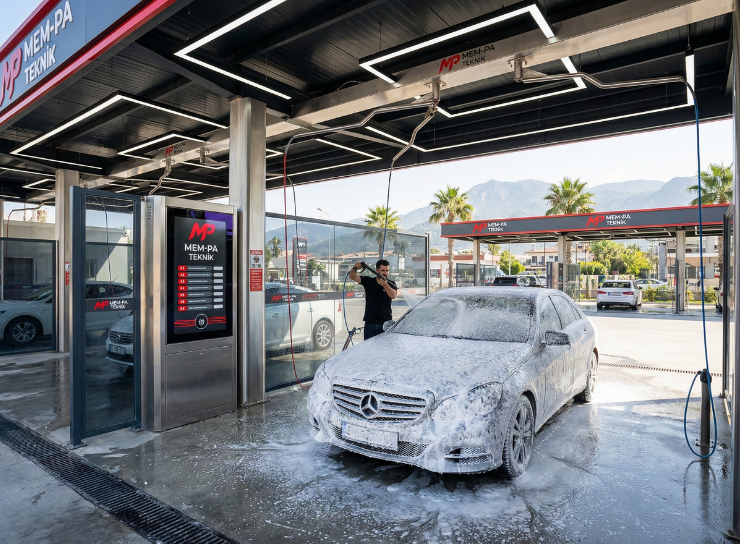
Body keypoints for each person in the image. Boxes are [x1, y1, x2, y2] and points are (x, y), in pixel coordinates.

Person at [349, 259, 398, 340]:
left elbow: (393, 295)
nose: (385, 273)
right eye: (382, 270)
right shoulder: (369, 281)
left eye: (387, 271)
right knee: (369, 347)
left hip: (385, 324)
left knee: (384, 347)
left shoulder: (391, 283)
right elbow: (352, 276)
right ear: (377, 270)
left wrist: (385, 285)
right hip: (370, 323)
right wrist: (355, 268)